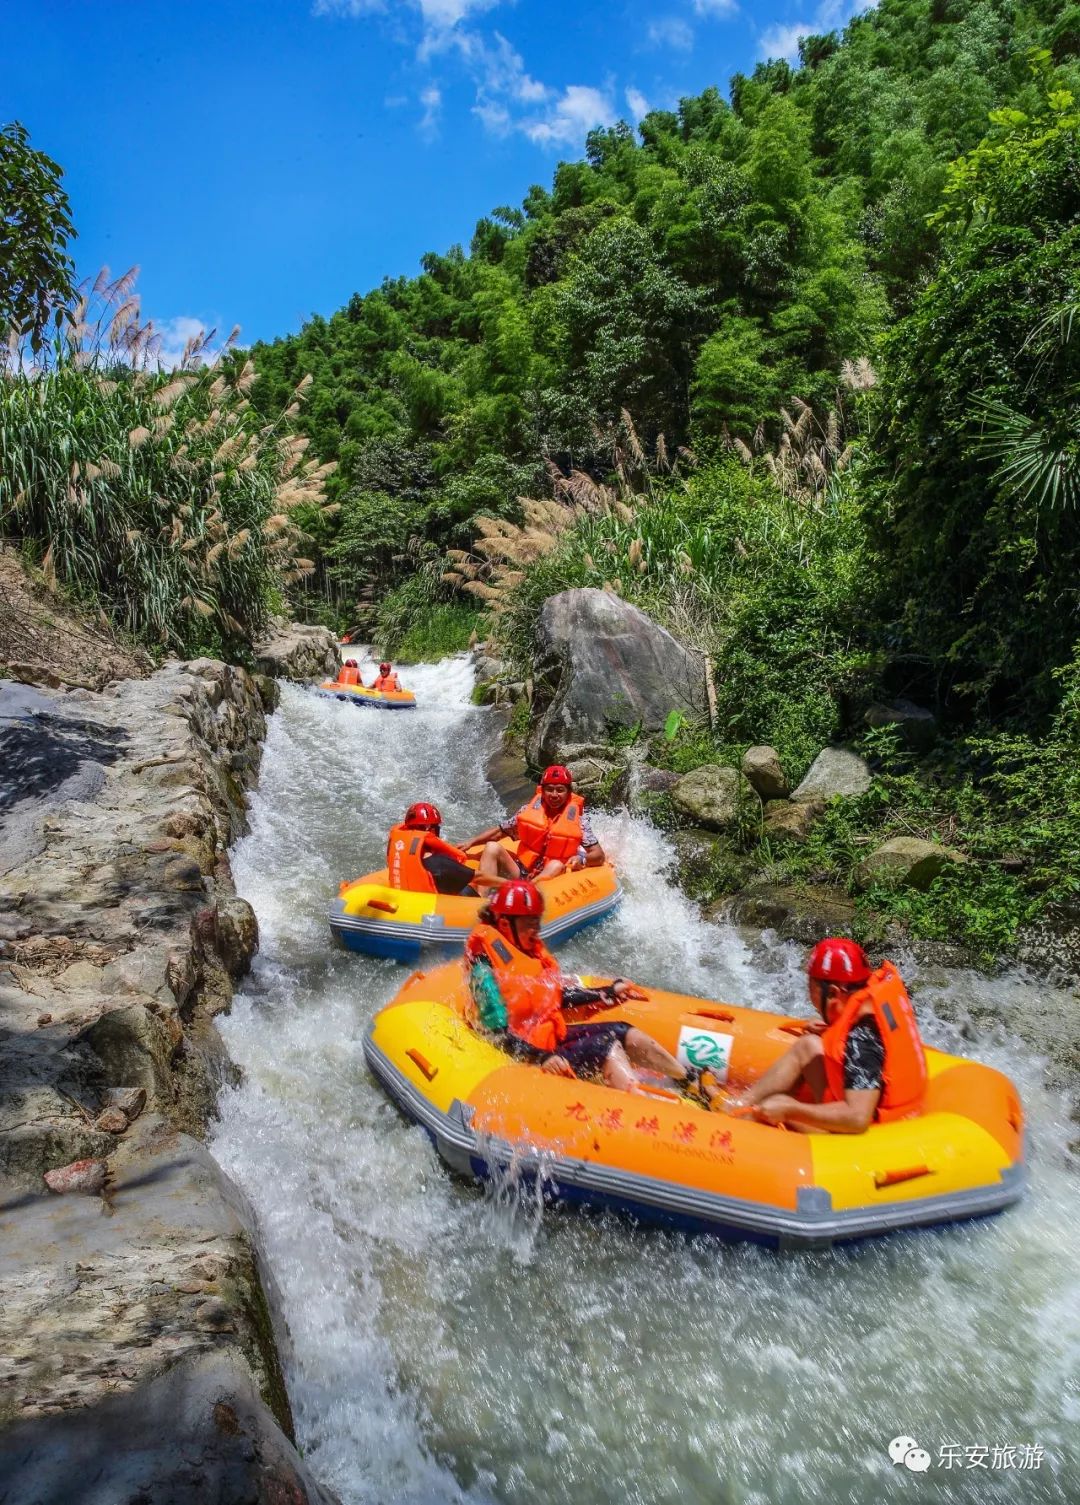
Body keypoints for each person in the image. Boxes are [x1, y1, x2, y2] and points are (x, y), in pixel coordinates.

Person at [464, 880, 714, 1100]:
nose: (537, 930)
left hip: (547, 1039)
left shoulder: (528, 952)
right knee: (604, 1045)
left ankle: (688, 1080)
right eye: (530, 924)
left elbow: (553, 997)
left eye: (537, 922)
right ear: (506, 924)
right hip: (524, 1055)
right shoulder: (484, 969)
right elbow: (495, 1035)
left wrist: (607, 992)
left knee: (622, 1030)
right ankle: (642, 1107)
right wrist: (541, 1058)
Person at [722, 937, 927, 1132]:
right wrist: (832, 1031)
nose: (811, 998)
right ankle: (737, 1105)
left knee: (770, 1112)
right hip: (900, 1115)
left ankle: (733, 1117)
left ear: (833, 993)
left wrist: (791, 1109)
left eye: (811, 989)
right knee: (808, 1046)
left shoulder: (861, 1038)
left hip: (870, 1139)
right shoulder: (871, 1011)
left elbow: (857, 1118)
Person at [465, 764, 607, 888]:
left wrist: (581, 859)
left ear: (569, 793)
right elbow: (499, 832)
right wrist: (470, 843)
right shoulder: (528, 810)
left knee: (556, 864)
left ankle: (527, 890)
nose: (554, 795)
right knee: (491, 847)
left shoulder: (579, 821)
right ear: (542, 791)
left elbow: (598, 855)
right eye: (549, 789)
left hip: (553, 876)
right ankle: (482, 900)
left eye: (560, 790)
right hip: (523, 869)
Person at [387, 803, 477, 896]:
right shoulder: (438, 863)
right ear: (432, 830)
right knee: (469, 889)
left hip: (401, 899)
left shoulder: (401, 849)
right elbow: (478, 877)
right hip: (431, 905)